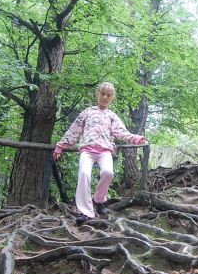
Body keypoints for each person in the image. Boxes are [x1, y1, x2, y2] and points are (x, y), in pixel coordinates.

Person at [53, 82, 146, 226]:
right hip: (87, 151)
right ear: (97, 94)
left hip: (105, 151)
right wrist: (61, 146)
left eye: (108, 95)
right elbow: (74, 130)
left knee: (108, 172)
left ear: (112, 98)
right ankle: (84, 212)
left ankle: (99, 200)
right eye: (102, 94)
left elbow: (121, 132)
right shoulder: (88, 112)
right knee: (84, 174)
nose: (105, 97)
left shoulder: (111, 116)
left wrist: (135, 138)